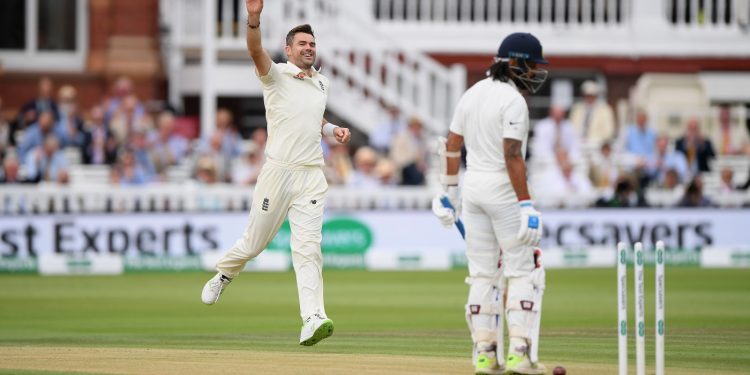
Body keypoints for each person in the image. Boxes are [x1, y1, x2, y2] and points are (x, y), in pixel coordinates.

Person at [201, 0, 351, 348]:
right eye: (302, 44)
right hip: (278, 172)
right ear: (288, 49)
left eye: (312, 44)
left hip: (311, 174)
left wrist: (333, 131)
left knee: (308, 249)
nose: (309, 48)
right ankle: (225, 273)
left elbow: (314, 120)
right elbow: (254, 50)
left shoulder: (322, 83)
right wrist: (253, 20)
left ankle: (312, 318)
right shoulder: (276, 75)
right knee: (255, 243)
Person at [432, 32, 548, 375]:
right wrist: (525, 204)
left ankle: (485, 355)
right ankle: (520, 354)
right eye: (531, 65)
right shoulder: (513, 101)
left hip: (473, 190)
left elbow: (452, 144)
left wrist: (449, 192)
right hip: (503, 191)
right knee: (524, 270)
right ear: (513, 62)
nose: (536, 72)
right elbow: (512, 154)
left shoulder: (472, 93)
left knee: (482, 274)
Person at [568, 80, 616, 147]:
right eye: (587, 95)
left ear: (596, 96)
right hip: (578, 145)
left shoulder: (605, 110)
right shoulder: (577, 109)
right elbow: (570, 127)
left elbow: (609, 132)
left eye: (592, 96)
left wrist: (592, 140)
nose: (589, 98)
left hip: (597, 145)